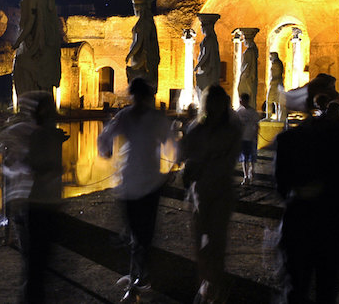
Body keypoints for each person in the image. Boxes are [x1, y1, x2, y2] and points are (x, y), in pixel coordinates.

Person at [97, 78, 175, 303]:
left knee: (143, 235)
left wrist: (170, 168)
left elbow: (171, 144)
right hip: (130, 182)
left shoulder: (155, 119)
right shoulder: (126, 116)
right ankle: (137, 274)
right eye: (136, 97)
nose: (138, 101)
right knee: (135, 233)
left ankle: (138, 280)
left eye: (140, 97)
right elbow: (106, 137)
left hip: (149, 184)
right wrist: (106, 150)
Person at [273, 94, 339, 303]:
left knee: (297, 288)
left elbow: (281, 187)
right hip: (323, 223)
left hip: (302, 222)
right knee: (320, 288)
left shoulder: (288, 140)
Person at [0, 91, 67, 303]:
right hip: (38, 204)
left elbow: (9, 154)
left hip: (38, 204)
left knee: (36, 262)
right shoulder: (39, 133)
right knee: (37, 263)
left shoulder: (35, 133)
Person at [179, 85, 242, 303]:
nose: (215, 107)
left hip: (220, 191)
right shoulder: (196, 128)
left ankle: (212, 284)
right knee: (199, 241)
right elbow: (186, 154)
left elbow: (227, 159)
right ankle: (207, 281)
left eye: (219, 102)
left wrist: (199, 160)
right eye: (212, 102)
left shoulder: (231, 130)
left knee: (216, 240)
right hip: (200, 192)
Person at [236, 93, 261, 185]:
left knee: (252, 157)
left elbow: (257, 125)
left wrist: (255, 135)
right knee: (244, 158)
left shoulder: (253, 112)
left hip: (251, 138)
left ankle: (252, 170)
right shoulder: (238, 112)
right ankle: (246, 175)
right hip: (243, 138)